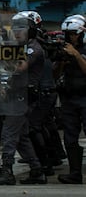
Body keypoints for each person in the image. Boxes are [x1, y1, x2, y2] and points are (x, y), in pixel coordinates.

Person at [0, 13, 46, 185]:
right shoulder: (18, 47)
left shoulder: (33, 48)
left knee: (9, 134)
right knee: (21, 137)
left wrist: (6, 50)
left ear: (31, 31)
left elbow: (19, 67)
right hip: (15, 94)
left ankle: (7, 171)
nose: (17, 32)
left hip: (25, 96)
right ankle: (36, 170)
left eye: (22, 29)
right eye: (15, 29)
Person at [55, 15, 86, 184]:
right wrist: (61, 62)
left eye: (73, 33)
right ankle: (75, 173)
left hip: (84, 97)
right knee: (69, 137)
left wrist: (76, 55)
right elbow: (55, 75)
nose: (70, 37)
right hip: (69, 98)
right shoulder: (65, 50)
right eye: (68, 34)